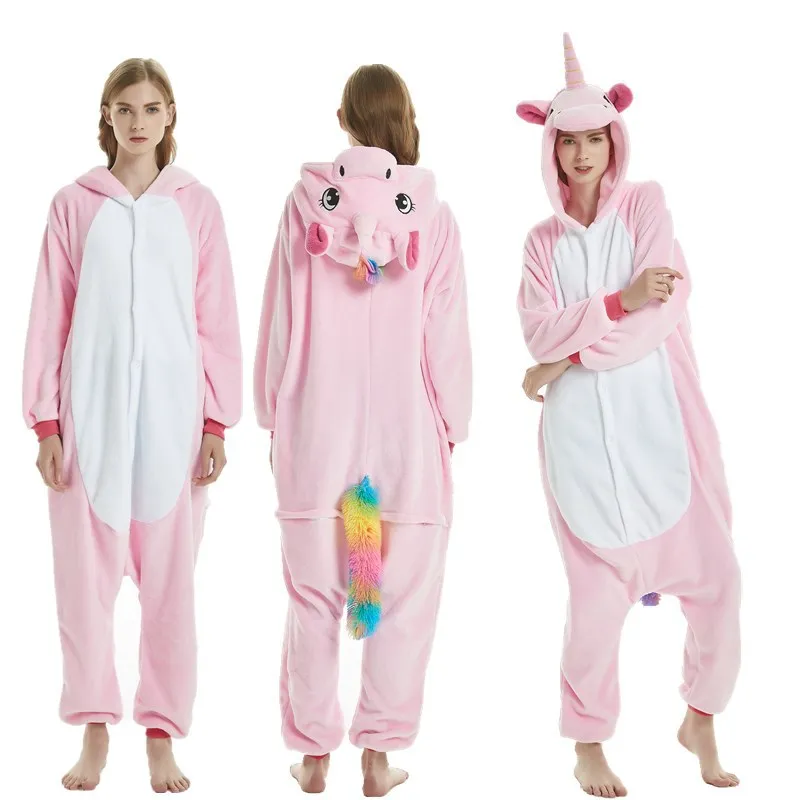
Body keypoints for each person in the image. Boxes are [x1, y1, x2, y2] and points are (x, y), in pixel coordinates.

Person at [516, 34, 741, 796]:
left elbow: (658, 313)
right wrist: (614, 303)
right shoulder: (541, 245)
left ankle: (700, 716)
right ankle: (588, 744)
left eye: (594, 138)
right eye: (567, 141)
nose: (581, 154)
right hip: (580, 447)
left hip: (661, 430)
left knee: (720, 582)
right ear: (550, 148)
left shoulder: (646, 205)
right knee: (592, 610)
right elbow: (538, 331)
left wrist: (564, 361)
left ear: (615, 139)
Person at [22, 58, 242, 793]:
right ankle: (93, 728)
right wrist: (46, 423)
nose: (138, 121)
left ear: (170, 114)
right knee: (83, 587)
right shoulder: (74, 205)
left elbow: (216, 318)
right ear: (107, 116)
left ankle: (160, 736)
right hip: (89, 420)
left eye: (151, 108)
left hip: (173, 425)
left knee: (171, 589)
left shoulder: (197, 206)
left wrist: (215, 419)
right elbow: (49, 315)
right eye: (125, 109)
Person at [254, 64, 472, 796]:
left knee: (315, 598)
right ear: (405, 120)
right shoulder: (432, 215)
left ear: (343, 120)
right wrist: (452, 422)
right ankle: (377, 756)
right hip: (407, 435)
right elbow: (446, 335)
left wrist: (273, 413)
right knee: (399, 601)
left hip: (317, 427)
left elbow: (281, 319)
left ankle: (315, 754)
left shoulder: (304, 206)